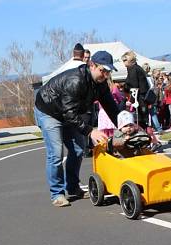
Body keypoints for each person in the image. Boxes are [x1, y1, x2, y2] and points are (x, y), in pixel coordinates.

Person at [34, 50, 121, 207]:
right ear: (92, 65)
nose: (105, 75)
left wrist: (124, 125)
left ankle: (73, 187)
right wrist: (90, 131)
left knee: (79, 150)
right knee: (56, 152)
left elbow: (111, 107)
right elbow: (69, 114)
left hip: (68, 113)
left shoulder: (101, 84)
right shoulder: (76, 80)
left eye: (108, 71)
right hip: (49, 111)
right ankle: (57, 193)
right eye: (103, 70)